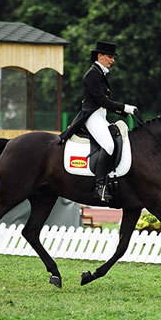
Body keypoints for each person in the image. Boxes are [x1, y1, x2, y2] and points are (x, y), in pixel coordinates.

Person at [58, 41, 138, 203]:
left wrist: (122, 111)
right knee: (108, 145)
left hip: (100, 116)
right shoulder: (93, 74)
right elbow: (101, 100)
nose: (113, 60)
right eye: (110, 57)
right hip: (92, 116)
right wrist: (125, 108)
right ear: (100, 56)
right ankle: (99, 186)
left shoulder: (100, 73)